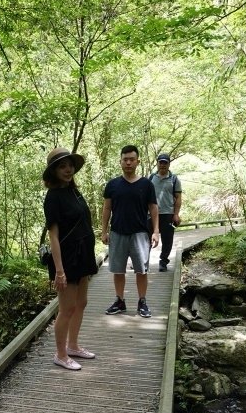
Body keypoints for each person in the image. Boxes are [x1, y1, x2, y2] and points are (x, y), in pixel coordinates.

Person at [42, 146, 99, 370]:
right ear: (54, 171)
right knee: (66, 309)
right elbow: (53, 236)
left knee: (81, 304)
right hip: (66, 259)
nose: (68, 170)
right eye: (62, 166)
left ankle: (73, 346)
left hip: (83, 253)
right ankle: (60, 354)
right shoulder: (53, 198)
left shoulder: (74, 191)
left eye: (70, 166)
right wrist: (59, 270)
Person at [100, 145, 159, 318]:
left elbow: (154, 208)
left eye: (131, 159)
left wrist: (156, 231)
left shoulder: (146, 184)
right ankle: (120, 301)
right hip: (117, 232)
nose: (128, 163)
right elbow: (106, 208)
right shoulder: (112, 185)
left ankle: (142, 301)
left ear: (137, 161)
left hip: (140, 234)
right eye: (125, 159)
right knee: (118, 270)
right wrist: (104, 231)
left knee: (142, 270)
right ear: (120, 162)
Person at [149, 153, 183, 272]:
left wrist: (176, 214)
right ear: (157, 163)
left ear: (169, 164)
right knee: (146, 238)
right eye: (160, 162)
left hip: (168, 213)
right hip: (151, 214)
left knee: (167, 240)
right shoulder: (151, 178)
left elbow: (178, 198)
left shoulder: (174, 179)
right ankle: (143, 260)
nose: (163, 165)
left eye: (165, 163)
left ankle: (163, 261)